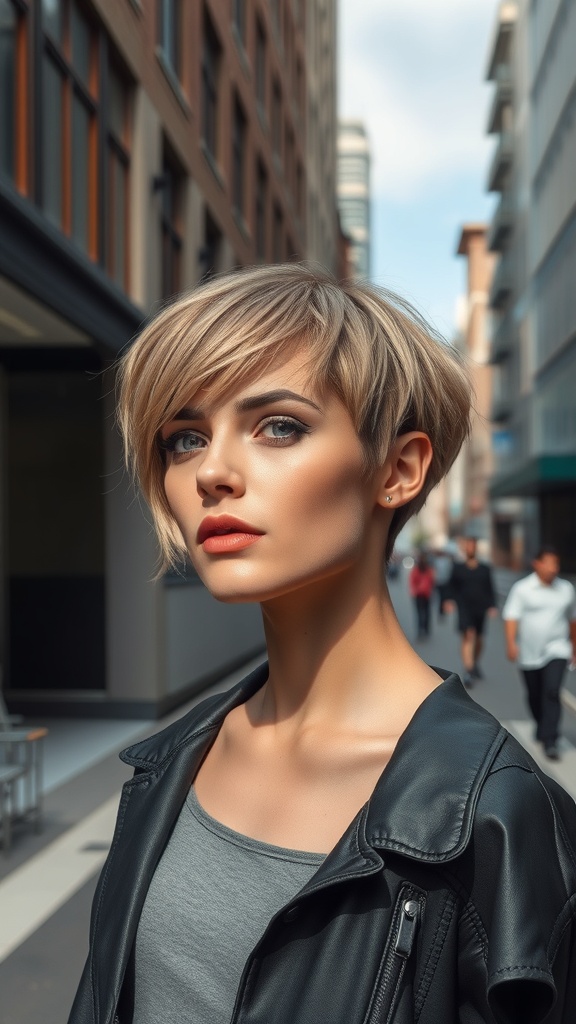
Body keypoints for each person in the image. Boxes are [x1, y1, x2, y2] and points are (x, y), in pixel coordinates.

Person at [69, 265, 576, 1024]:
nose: (211, 472)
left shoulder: (500, 820)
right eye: (184, 437)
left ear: (399, 470)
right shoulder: (172, 761)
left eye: (279, 425)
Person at [502, 547, 576, 761]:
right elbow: (511, 616)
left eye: (557, 564)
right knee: (535, 694)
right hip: (529, 652)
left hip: (557, 648)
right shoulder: (523, 589)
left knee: (552, 691)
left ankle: (550, 739)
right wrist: (511, 643)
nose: (554, 568)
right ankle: (541, 724)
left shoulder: (566, 589)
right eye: (550, 563)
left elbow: (572, 619)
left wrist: (574, 646)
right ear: (537, 564)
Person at [443, 537, 498, 686]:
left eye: (472, 546)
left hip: (480, 607)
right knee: (468, 635)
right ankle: (469, 670)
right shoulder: (458, 568)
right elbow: (450, 586)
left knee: (479, 639)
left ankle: (474, 662)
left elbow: (490, 588)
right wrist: (448, 600)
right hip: (464, 607)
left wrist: (492, 606)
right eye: (468, 546)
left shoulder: (485, 569)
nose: (470, 549)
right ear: (464, 548)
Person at [408, 552, 435, 639]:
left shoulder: (428, 570)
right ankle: (422, 630)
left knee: (424, 613)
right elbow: (412, 581)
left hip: (424, 594)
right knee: (422, 613)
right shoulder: (419, 570)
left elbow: (432, 581)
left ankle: (424, 630)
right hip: (420, 595)